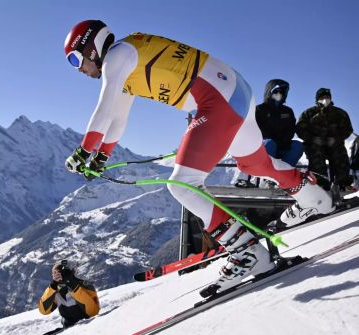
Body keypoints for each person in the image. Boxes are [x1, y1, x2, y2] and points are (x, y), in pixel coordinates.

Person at [62, 20, 334, 295]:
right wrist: (100, 157)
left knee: (182, 184)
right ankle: (315, 198)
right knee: (255, 163)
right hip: (235, 91)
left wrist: (83, 152)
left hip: (216, 99)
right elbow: (117, 118)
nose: (79, 69)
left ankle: (247, 254)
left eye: (76, 59)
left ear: (92, 48)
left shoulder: (116, 56)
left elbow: (104, 109)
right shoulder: (126, 58)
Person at [296, 88, 354, 191]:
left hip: (334, 145)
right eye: (322, 97)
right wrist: (313, 139)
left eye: (327, 97)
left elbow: (348, 129)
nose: (325, 99)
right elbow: (300, 130)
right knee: (316, 156)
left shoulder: (340, 113)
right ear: (317, 99)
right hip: (315, 145)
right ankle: (319, 184)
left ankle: (344, 184)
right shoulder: (309, 113)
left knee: (340, 155)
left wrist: (335, 139)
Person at [38, 260, 100, 329]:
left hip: (89, 324)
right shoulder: (55, 290)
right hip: (68, 327)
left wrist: (73, 286)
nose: (57, 276)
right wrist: (53, 286)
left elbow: (93, 311)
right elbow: (43, 310)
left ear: (70, 272)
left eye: (59, 272)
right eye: (54, 273)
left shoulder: (86, 285)